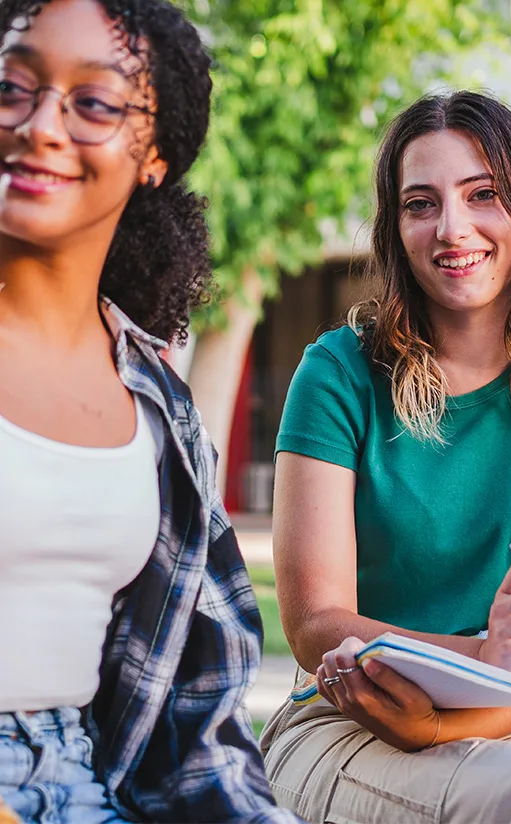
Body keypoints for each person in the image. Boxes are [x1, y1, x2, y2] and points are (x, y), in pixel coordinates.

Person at [262, 91, 511, 823]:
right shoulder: (337, 374)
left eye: (484, 195)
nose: (453, 227)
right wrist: (479, 656)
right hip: (345, 721)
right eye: (421, 203)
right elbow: (316, 624)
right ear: (395, 227)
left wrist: (445, 721)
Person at [0, 1, 302, 822]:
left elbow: (196, 726)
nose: (40, 125)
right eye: (12, 87)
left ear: (156, 158)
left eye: (93, 103)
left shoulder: (161, 412)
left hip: (81, 784)